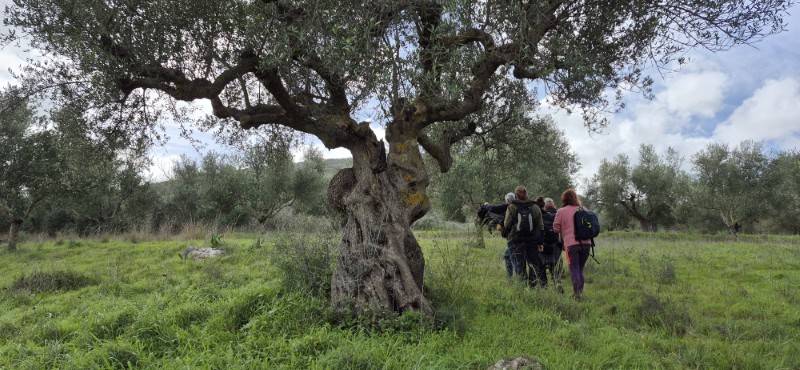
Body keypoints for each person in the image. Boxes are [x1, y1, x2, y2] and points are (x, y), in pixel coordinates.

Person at [553, 189, 592, 299]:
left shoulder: (561, 211)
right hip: (586, 244)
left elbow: (555, 228)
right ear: (575, 198)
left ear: (564, 199)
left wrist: (564, 230)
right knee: (580, 269)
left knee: (574, 268)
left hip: (571, 244)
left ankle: (577, 295)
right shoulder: (583, 209)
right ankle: (579, 292)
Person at [502, 186, 544, 286]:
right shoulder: (535, 207)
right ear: (527, 194)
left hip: (515, 240)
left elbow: (507, 224)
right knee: (533, 264)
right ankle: (532, 286)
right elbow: (540, 226)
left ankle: (522, 287)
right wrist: (540, 242)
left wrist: (505, 234)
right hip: (531, 240)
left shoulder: (512, 206)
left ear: (516, 195)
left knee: (519, 264)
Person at [540, 198, 563, 289]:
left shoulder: (541, 214)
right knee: (556, 265)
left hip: (544, 244)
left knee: (542, 265)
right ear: (553, 205)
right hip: (556, 244)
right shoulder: (559, 214)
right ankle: (557, 284)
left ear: (544, 206)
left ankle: (544, 285)